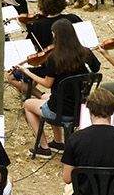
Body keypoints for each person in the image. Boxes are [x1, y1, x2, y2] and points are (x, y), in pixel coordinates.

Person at [20, 19, 100, 154]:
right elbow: (96, 68)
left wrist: (27, 72)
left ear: (55, 36)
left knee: (27, 104)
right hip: (80, 106)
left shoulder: (54, 57)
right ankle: (58, 142)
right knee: (46, 96)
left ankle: (43, 147)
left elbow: (47, 83)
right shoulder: (86, 53)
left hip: (61, 110)